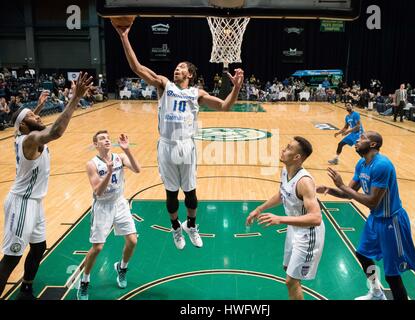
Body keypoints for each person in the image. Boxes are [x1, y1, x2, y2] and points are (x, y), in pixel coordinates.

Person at [112, 17, 244, 250]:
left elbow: (225, 106)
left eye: (182, 67)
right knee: (172, 194)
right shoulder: (164, 85)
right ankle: (175, 228)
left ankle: (191, 225)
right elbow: (137, 68)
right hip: (166, 145)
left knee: (191, 193)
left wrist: (236, 88)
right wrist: (124, 37)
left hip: (187, 145)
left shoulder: (197, 93)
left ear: (190, 75)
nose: (177, 68)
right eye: (177, 66)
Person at [0, 72, 93, 300]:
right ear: (23, 125)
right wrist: (75, 97)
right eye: (33, 115)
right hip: (22, 203)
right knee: (12, 257)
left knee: (39, 247)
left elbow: (28, 123)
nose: (37, 117)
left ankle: (27, 288)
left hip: (35, 202)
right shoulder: (31, 140)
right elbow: (56, 132)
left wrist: (38, 109)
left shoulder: (22, 134)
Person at [318, 131, 415, 300]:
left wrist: (342, 185)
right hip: (375, 219)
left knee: (392, 274)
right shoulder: (362, 164)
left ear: (373, 145)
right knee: (362, 254)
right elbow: (349, 193)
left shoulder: (382, 165)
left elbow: (372, 202)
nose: (357, 140)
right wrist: (331, 189)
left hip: (391, 222)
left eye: (362, 138)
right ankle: (377, 292)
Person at [246, 137, 324, 300]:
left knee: (291, 280)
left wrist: (280, 219)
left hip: (308, 233)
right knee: (288, 270)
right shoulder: (286, 171)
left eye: (288, 148)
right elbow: (283, 194)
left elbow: (316, 218)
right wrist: (259, 209)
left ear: (297, 157)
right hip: (294, 229)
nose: (283, 149)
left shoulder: (304, 182)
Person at [77, 131, 141, 300]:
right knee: (97, 248)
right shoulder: (92, 164)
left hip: (119, 203)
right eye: (101, 139)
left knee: (133, 240)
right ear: (96, 144)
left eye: (107, 137)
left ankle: (122, 267)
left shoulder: (119, 157)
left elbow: (137, 169)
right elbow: (97, 191)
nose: (106, 140)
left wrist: (127, 150)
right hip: (102, 207)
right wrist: (110, 172)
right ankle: (84, 281)